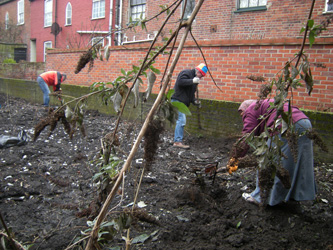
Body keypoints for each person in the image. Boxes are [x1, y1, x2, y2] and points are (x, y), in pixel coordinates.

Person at [237, 99, 316, 206]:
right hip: (304, 124)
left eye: (242, 115)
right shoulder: (267, 105)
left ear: (243, 109)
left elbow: (247, 136)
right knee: (298, 162)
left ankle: (260, 197)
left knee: (268, 161)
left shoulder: (251, 109)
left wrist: (236, 158)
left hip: (285, 125)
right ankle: (296, 196)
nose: (243, 117)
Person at [171, 63, 208, 149]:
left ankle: (177, 140)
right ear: (197, 70)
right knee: (181, 120)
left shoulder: (195, 80)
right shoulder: (186, 72)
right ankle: (177, 142)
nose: (201, 77)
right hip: (177, 100)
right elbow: (180, 82)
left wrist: (195, 101)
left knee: (181, 120)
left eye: (202, 76)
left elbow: (191, 94)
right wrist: (192, 81)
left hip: (183, 102)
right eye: (201, 75)